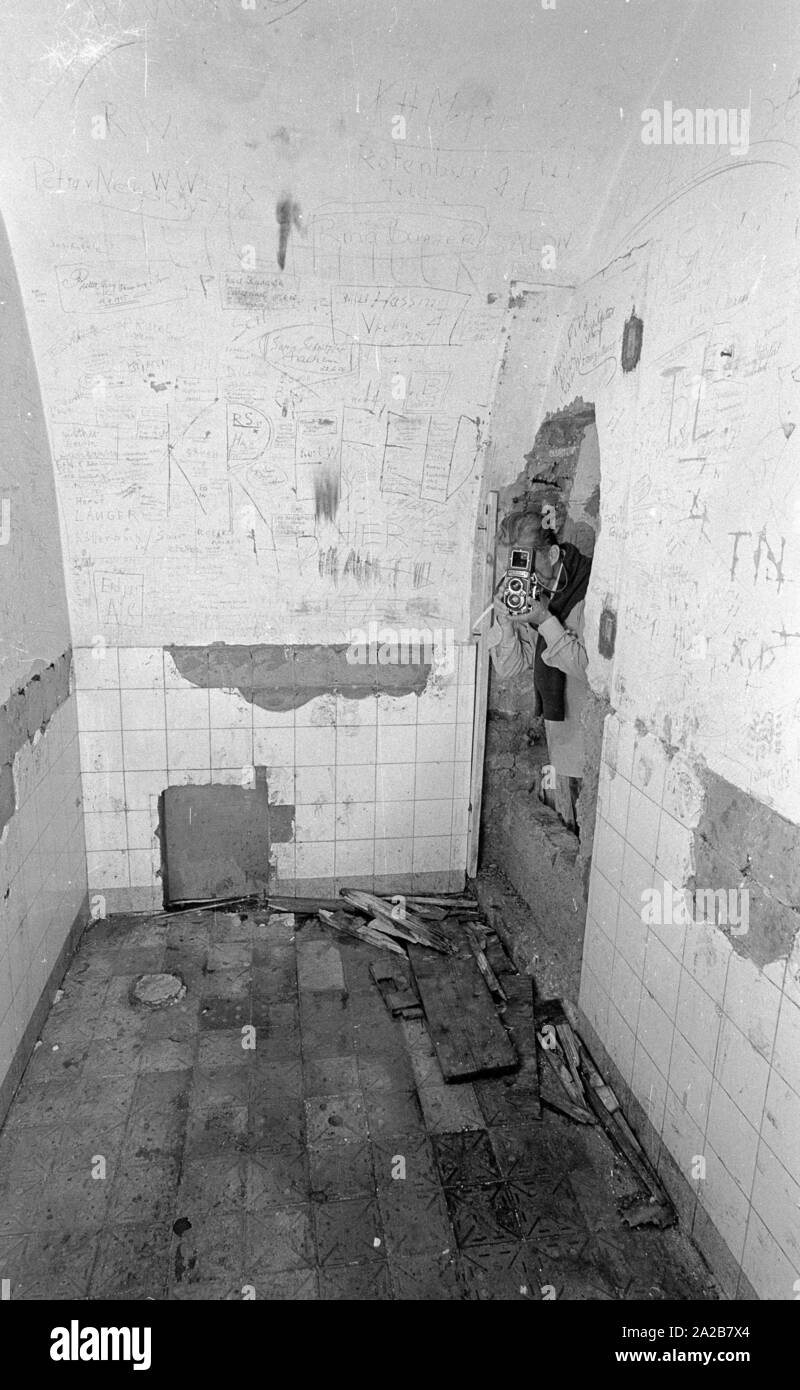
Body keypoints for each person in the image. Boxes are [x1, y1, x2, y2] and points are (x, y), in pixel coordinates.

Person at [488, 509, 592, 831]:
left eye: (528, 563)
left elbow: (590, 671)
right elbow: (511, 668)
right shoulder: (539, 592)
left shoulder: (590, 589)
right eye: (515, 567)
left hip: (591, 740)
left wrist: (546, 620)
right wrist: (505, 624)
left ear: (553, 553)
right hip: (560, 736)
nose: (524, 576)